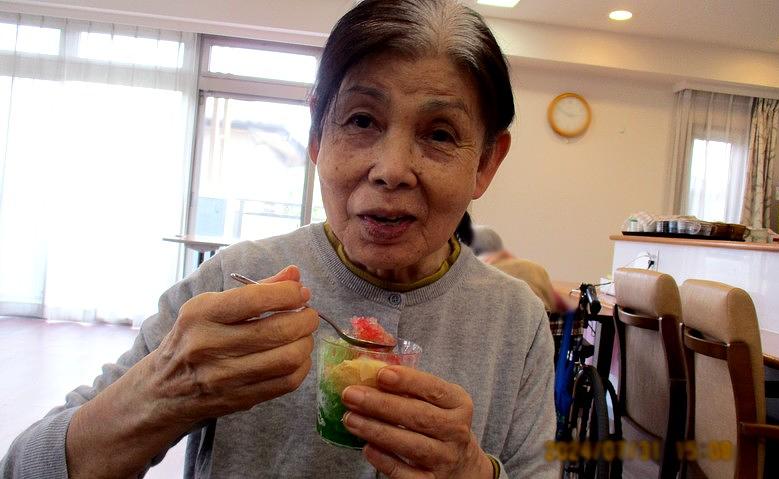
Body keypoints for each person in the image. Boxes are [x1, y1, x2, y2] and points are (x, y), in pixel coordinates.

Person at [1, 1, 556, 477]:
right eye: (362, 121)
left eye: (439, 134)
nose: (392, 170)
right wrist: (164, 391)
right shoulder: (230, 286)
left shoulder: (516, 320)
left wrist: (472, 471)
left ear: (485, 162)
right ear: (317, 134)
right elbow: (26, 467)